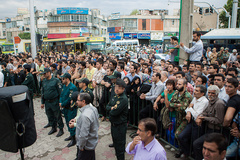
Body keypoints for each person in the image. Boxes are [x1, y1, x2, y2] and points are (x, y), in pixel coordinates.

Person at [193, 85, 226, 160]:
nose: (210, 95)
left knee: (197, 144)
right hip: (208, 129)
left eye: (213, 93)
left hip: (215, 131)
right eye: (209, 93)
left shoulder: (219, 103)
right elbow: (204, 112)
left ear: (217, 94)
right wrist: (200, 117)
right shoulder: (210, 101)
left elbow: (219, 120)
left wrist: (204, 118)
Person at [177, 85, 209, 158]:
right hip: (191, 122)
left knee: (195, 142)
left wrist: (190, 108)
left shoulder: (204, 101)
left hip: (198, 124)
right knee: (181, 136)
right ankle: (187, 153)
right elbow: (188, 108)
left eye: (197, 91)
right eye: (195, 90)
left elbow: (196, 114)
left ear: (202, 93)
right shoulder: (195, 98)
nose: (194, 92)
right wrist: (189, 111)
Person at [106, 79, 128, 160]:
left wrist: (111, 109)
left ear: (123, 89)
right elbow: (107, 106)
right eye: (116, 87)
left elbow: (114, 112)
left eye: (119, 87)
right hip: (114, 125)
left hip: (120, 126)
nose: (117, 89)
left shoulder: (123, 99)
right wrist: (110, 108)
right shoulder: (115, 96)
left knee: (120, 147)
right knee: (115, 144)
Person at [74, 93, 99, 160]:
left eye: (78, 100)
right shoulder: (93, 109)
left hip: (86, 147)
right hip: (92, 143)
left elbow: (83, 134)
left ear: (83, 102)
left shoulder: (85, 116)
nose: (76, 102)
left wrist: (81, 146)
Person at [41, 68, 64, 136]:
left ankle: (61, 129)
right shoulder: (44, 81)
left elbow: (60, 92)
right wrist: (42, 102)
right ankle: (53, 127)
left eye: (45, 73)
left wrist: (60, 101)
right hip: (47, 102)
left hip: (54, 101)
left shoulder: (56, 81)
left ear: (49, 72)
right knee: (49, 115)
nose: (44, 75)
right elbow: (43, 92)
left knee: (57, 116)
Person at [60, 73, 78, 139]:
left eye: (63, 78)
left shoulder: (72, 87)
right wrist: (60, 102)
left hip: (70, 108)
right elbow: (61, 95)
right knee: (67, 122)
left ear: (67, 79)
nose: (62, 80)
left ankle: (73, 138)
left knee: (71, 122)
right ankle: (71, 134)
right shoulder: (64, 86)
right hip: (65, 108)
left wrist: (62, 104)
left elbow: (70, 99)